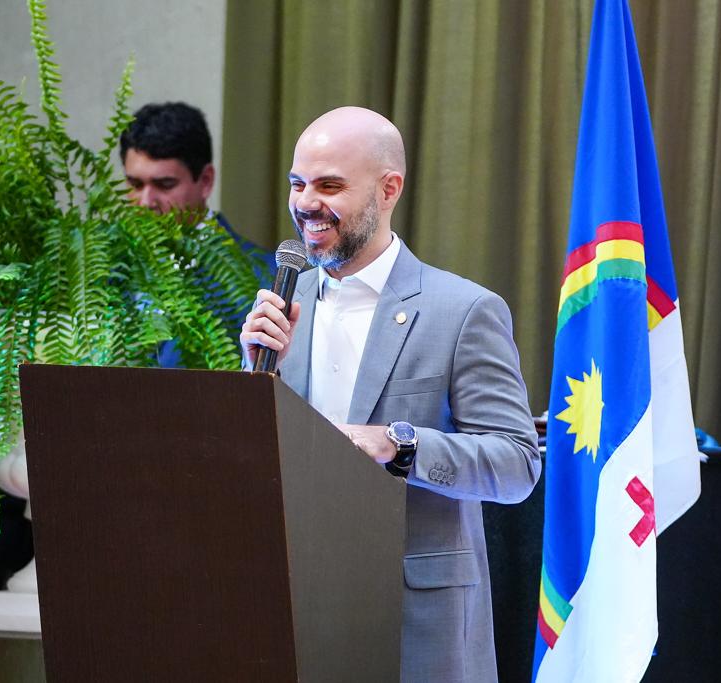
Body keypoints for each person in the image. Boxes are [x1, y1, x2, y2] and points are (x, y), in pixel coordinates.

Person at [240, 106, 541, 682]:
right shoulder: (280, 308)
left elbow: (517, 464)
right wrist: (256, 381)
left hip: (415, 626)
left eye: (329, 186)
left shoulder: (463, 311)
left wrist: (397, 446)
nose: (306, 203)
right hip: (290, 612)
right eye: (297, 184)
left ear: (388, 189)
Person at [120, 102, 275, 367]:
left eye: (164, 184)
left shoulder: (265, 279)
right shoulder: (106, 268)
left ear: (205, 181)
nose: (146, 201)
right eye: (135, 184)